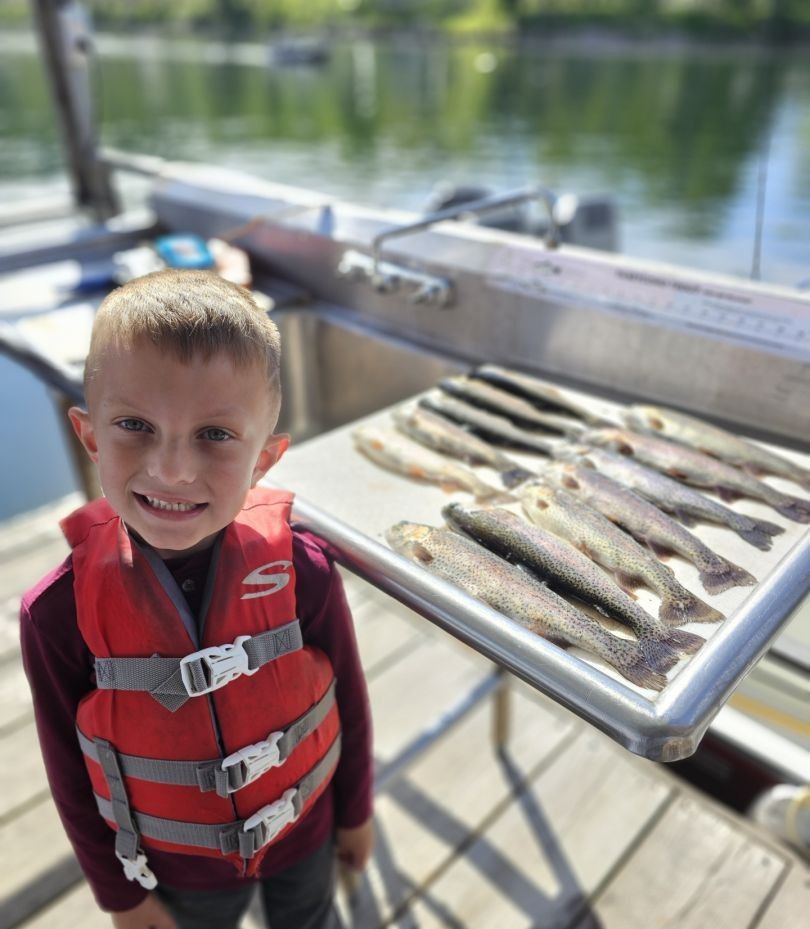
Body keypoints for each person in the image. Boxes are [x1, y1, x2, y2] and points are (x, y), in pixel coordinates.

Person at [20, 269, 374, 929]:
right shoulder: (56, 613)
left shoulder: (305, 570)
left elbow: (348, 696)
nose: (172, 469)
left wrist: (354, 811)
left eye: (215, 434)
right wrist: (119, 894)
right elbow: (69, 771)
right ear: (91, 434)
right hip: (172, 867)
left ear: (264, 458)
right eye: (134, 425)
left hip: (306, 832)